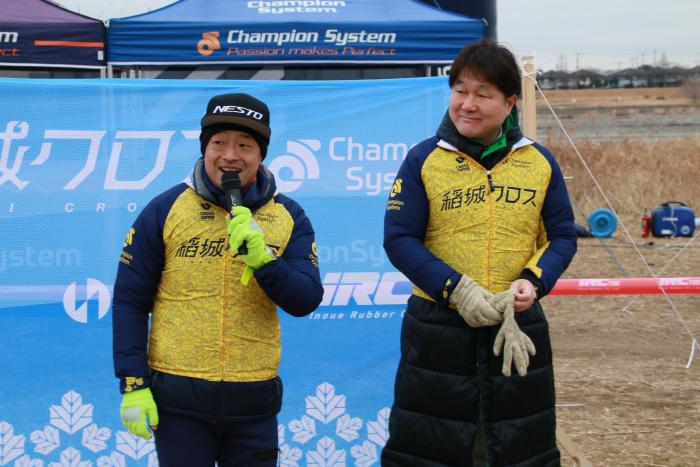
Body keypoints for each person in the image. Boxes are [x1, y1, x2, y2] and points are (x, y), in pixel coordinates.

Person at [381, 39, 577, 466]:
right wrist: (456, 289)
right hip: (437, 333)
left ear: (509, 103)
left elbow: (562, 235)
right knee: (431, 451)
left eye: (482, 95)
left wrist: (533, 281)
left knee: (517, 450)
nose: (467, 104)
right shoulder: (424, 160)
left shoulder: (538, 162)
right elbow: (399, 238)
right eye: (460, 91)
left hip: (516, 329)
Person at [112, 92, 323, 466]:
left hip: (253, 403)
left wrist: (264, 261)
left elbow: (305, 299)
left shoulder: (289, 215)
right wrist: (133, 383)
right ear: (204, 149)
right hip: (178, 404)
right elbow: (130, 300)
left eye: (245, 145)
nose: (230, 155)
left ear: (261, 155)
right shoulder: (165, 209)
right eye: (219, 143)